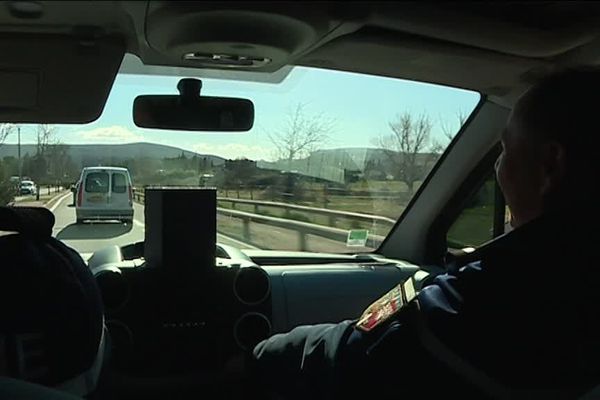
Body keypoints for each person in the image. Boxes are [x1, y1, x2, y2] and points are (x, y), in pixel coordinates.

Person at [248, 68, 600, 399]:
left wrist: (252, 360)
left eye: (505, 150)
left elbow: (346, 357)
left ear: (550, 165)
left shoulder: (487, 302)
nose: (497, 167)